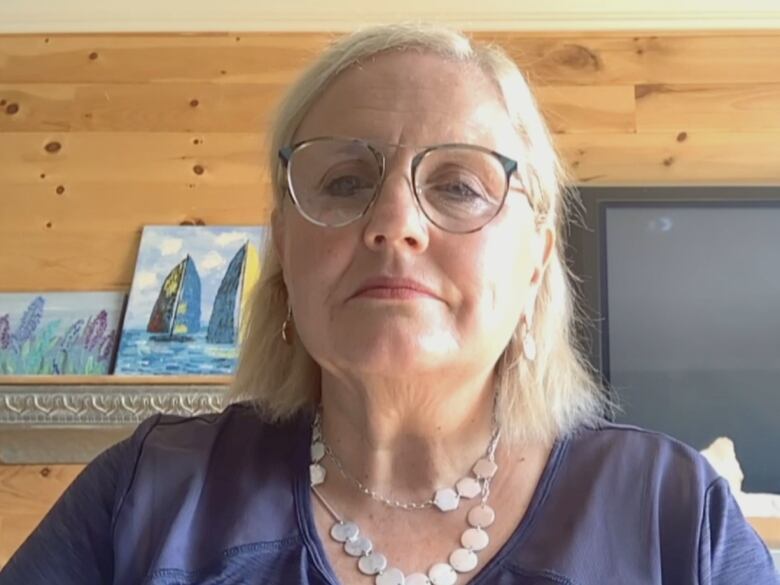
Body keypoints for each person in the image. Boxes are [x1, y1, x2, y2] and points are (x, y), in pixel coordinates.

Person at [1, 23, 777, 585]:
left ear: (538, 260)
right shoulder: (144, 493)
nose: (394, 224)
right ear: (284, 252)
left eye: (459, 185)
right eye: (343, 182)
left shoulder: (676, 515)